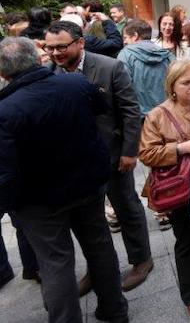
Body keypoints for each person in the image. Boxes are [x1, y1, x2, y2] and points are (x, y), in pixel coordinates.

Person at [0, 37, 128, 323]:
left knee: (55, 262)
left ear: (4, 73)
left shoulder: (5, 110)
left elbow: (5, 171)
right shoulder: (75, 83)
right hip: (86, 184)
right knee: (99, 245)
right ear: (38, 58)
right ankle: (115, 310)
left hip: (40, 201)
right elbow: (100, 110)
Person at [45, 20, 154, 294]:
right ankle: (99, 268)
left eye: (61, 47)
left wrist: (130, 151)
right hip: (73, 162)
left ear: (80, 43)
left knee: (126, 207)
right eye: (50, 48)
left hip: (113, 155)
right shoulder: (48, 73)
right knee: (87, 219)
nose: (55, 53)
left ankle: (142, 260)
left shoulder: (110, 67)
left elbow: (130, 111)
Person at [139, 60, 190, 320]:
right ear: (172, 86)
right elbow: (147, 154)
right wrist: (181, 148)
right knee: (186, 240)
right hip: (180, 189)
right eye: (186, 83)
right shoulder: (157, 115)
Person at [117, 19, 175, 116]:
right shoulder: (167, 55)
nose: (124, 41)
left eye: (125, 37)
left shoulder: (125, 55)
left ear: (135, 36)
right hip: (168, 114)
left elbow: (123, 89)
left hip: (140, 117)